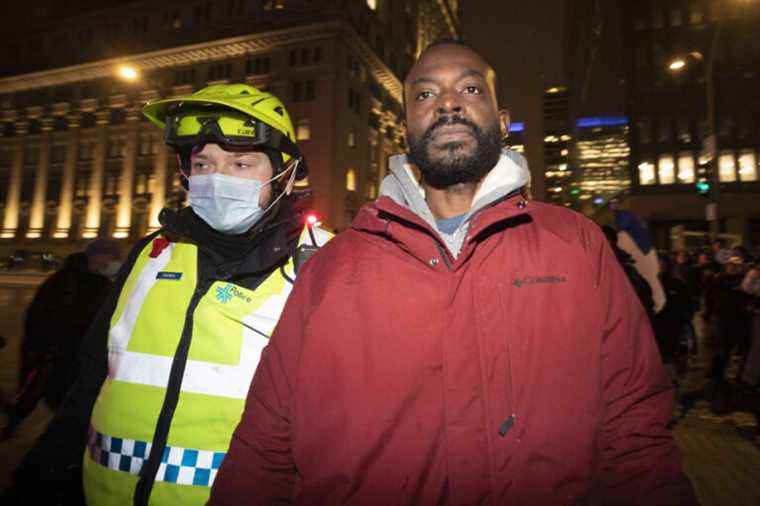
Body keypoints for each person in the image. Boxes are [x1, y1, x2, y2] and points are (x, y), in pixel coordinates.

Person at [210, 41, 696, 505]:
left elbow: (635, 428)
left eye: (469, 89)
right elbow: (266, 444)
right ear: (405, 129)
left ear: (503, 121)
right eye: (425, 93)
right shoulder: (336, 267)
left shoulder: (576, 245)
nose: (446, 104)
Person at [6, 84, 329, 506]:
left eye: (241, 163)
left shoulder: (323, 265)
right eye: (203, 163)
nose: (218, 178)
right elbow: (89, 382)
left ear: (285, 176)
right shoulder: (150, 255)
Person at [2, 240, 120, 440]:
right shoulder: (76, 282)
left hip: (61, 355)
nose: (116, 262)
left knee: (46, 400)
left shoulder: (85, 281)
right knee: (49, 400)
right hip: (57, 355)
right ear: (98, 257)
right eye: (113, 256)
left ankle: (18, 428)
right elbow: (46, 317)